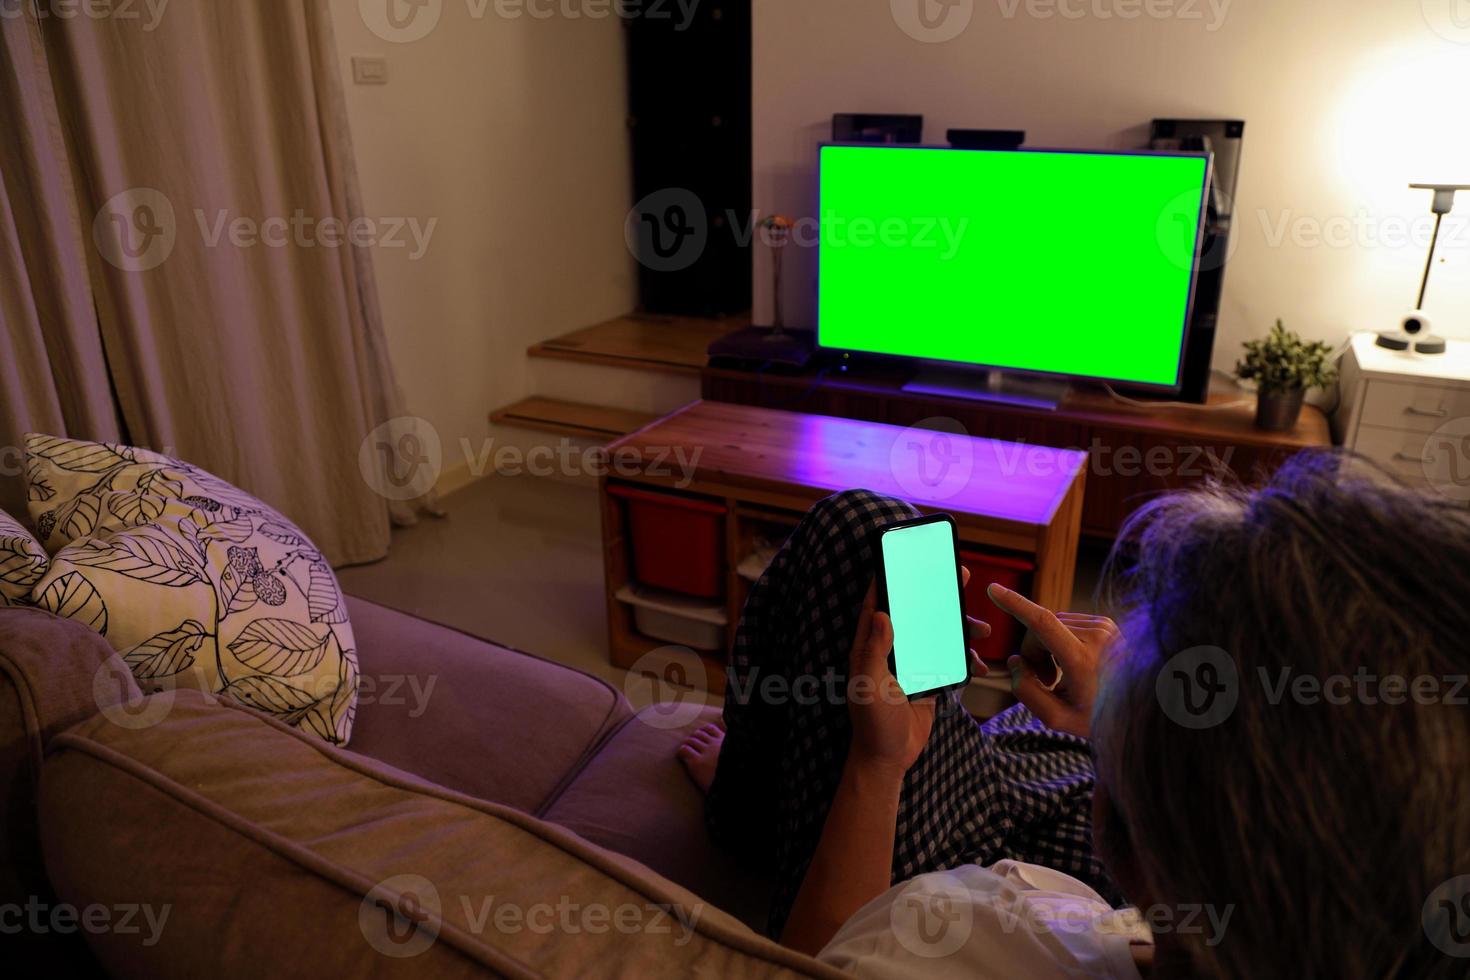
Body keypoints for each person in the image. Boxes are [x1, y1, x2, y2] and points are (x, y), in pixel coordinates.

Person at [678, 452, 1470, 978]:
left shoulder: (952, 936)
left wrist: (876, 765)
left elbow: (819, 966)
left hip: (965, 860)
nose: (1123, 644)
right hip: (1083, 865)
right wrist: (1111, 727)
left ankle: (752, 809)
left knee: (861, 532)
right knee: (1013, 717)